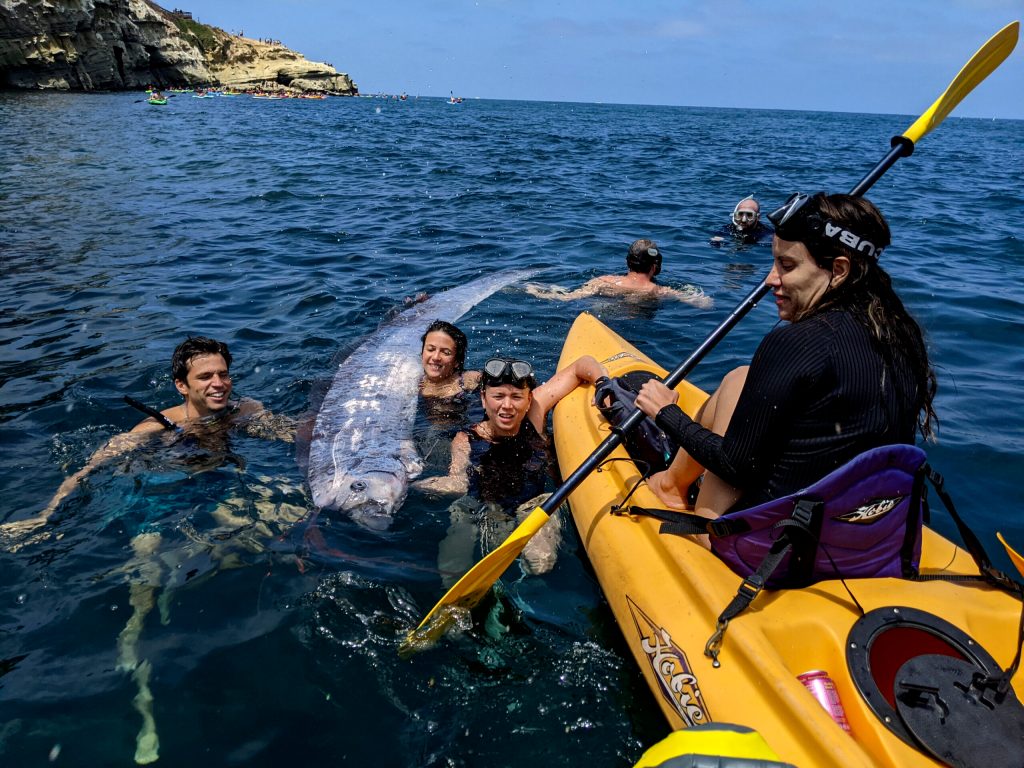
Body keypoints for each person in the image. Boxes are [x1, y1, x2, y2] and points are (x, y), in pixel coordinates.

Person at [634, 192, 937, 524]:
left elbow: (735, 466)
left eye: (787, 265)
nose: (770, 280)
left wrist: (668, 414)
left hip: (779, 550)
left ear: (838, 270)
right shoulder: (899, 333)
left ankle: (669, 487)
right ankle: (671, 486)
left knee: (731, 426)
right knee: (740, 377)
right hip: (870, 536)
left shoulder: (796, 341)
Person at [1, 336, 292, 538]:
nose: (219, 384)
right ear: (181, 385)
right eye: (205, 377)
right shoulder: (155, 427)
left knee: (291, 508)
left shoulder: (246, 410)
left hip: (225, 479)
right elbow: (91, 466)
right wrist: (46, 515)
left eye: (223, 374)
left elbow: (288, 431)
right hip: (169, 492)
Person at [415, 354, 607, 584]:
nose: (507, 406)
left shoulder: (534, 414)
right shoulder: (465, 438)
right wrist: (412, 487)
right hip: (481, 505)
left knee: (540, 563)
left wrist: (604, 383)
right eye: (498, 396)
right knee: (453, 566)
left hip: (535, 503)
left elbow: (581, 365)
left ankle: (520, 590)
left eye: (516, 397)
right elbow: (458, 480)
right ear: (484, 399)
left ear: (528, 400)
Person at [526, 239, 713, 308]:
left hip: (604, 309)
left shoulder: (603, 281)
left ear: (628, 262)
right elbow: (705, 305)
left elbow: (568, 298)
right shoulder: (661, 291)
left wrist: (536, 291)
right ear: (655, 267)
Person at [419, 320, 481, 423]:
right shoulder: (412, 382)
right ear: (422, 353)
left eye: (446, 353)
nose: (436, 357)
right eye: (430, 349)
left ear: (456, 361)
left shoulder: (467, 380)